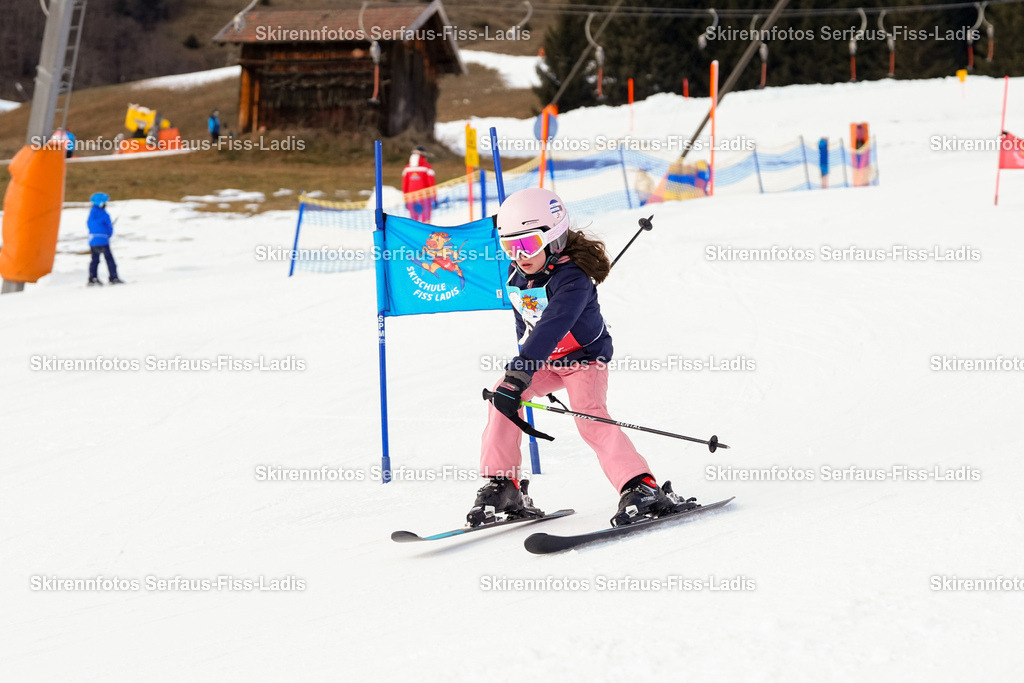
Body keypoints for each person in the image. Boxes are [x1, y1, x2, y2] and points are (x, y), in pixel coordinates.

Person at [468, 187, 696, 528]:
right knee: (502, 397)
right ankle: (504, 485)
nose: (519, 255)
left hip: (583, 359)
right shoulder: (518, 277)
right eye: (509, 247)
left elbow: (553, 324)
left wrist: (522, 370)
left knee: (589, 417)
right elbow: (527, 325)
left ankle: (639, 485)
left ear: (554, 237)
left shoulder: (573, 280)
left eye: (527, 245)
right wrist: (520, 375)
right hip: (547, 361)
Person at [87, 192, 122, 285]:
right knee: (109, 259)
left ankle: (92, 278)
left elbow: (89, 225)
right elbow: (109, 228)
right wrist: (108, 234)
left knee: (95, 260)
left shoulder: (91, 214)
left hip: (93, 241)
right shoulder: (104, 214)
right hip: (103, 241)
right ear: (101, 203)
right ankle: (113, 278)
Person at [401, 146, 436, 223]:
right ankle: (425, 234)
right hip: (425, 196)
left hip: (411, 197)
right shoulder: (427, 167)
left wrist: (405, 199)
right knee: (426, 221)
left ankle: (414, 234)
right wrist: (434, 198)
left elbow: (405, 185)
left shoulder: (407, 168)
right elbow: (431, 184)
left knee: (414, 222)